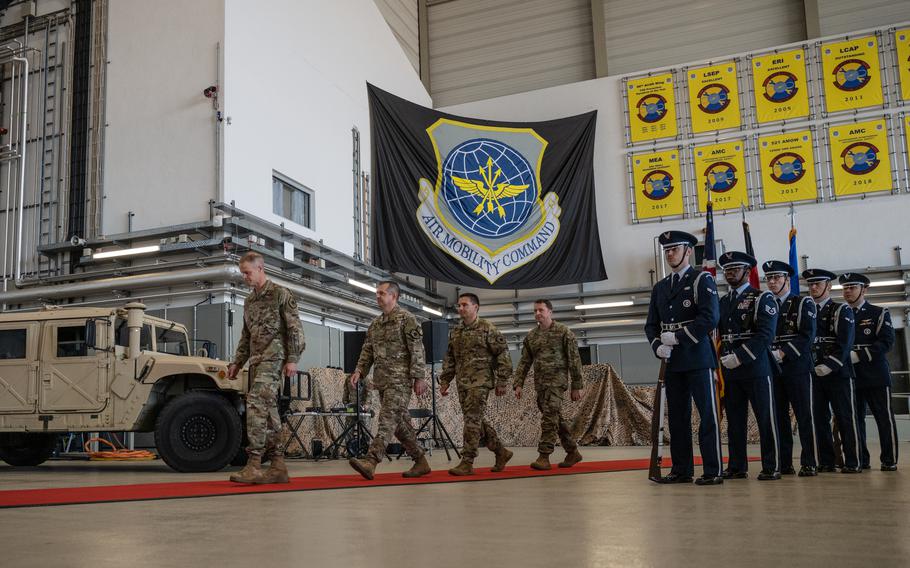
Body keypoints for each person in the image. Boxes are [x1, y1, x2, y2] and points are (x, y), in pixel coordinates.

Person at [644, 231, 723, 485]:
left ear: (688, 251)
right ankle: (681, 469)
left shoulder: (701, 280)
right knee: (677, 419)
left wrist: (679, 337)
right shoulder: (661, 287)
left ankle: (713, 469)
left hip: (698, 358)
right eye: (667, 250)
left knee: (708, 416)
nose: (670, 254)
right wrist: (657, 346)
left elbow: (710, 318)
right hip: (673, 363)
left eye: (675, 249)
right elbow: (651, 326)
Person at [228, 252, 305, 484]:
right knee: (269, 412)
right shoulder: (249, 301)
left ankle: (253, 463)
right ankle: (278, 465)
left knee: (256, 402)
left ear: (260, 268)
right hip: (257, 361)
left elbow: (295, 330)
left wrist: (292, 358)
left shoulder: (281, 294)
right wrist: (237, 362)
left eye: (248, 273)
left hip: (275, 358)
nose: (245, 277)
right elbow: (246, 335)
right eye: (242, 273)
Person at [348, 281, 431, 480]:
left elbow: (417, 350)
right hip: (382, 381)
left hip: (400, 381)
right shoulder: (375, 324)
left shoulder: (407, 319)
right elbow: (367, 351)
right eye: (376, 293)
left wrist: (419, 377)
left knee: (386, 420)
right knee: (400, 427)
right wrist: (359, 370)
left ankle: (371, 460)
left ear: (394, 296)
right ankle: (421, 460)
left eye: (382, 293)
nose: (378, 296)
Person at [717, 251, 781, 481]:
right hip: (730, 370)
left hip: (755, 367)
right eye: (727, 269)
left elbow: (766, 334)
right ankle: (736, 466)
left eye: (736, 268)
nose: (730, 272)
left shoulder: (761, 298)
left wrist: (741, 356)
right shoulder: (722, 301)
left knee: (765, 418)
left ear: (747, 272)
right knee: (735, 421)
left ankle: (772, 465)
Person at [439, 293, 513, 475]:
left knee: (471, 421)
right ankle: (501, 451)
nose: (460, 309)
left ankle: (467, 461)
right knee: (475, 421)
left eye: (464, 305)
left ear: (476, 307)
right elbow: (450, 358)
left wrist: (502, 381)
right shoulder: (456, 331)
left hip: (481, 382)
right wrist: (445, 380)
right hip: (462, 383)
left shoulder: (488, 329)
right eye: (459, 305)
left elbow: (503, 354)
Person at [512, 299, 584, 471]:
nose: (538, 313)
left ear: (550, 312)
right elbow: (524, 361)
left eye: (541, 310)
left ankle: (544, 456)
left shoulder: (563, 332)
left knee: (549, 419)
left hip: (557, 384)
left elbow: (574, 360)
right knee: (555, 419)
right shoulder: (532, 336)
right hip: (541, 385)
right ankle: (572, 451)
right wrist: (518, 383)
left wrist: (577, 385)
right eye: (535, 310)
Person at [763, 260, 818, 477]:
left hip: (797, 367)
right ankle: (784, 462)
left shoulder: (803, 303)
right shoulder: (765, 304)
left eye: (777, 277)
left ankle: (809, 461)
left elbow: (807, 335)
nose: (773, 282)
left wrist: (784, 352)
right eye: (769, 278)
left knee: (805, 416)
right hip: (773, 369)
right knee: (779, 417)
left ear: (787, 279)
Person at [802, 268, 861, 474]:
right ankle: (826, 461)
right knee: (819, 419)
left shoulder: (840, 310)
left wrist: (830, 365)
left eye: (818, 283)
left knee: (845, 417)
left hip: (838, 373)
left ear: (828, 286)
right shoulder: (806, 309)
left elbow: (845, 344)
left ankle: (854, 460)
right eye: (810, 284)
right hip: (813, 372)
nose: (813, 287)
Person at [839, 272, 898, 471]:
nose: (848, 291)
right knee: (854, 420)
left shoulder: (879, 312)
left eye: (852, 287)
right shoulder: (840, 313)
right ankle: (861, 459)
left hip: (875, 375)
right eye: (845, 288)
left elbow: (886, 342)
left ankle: (889, 460)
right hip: (849, 376)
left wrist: (860, 355)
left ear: (864, 290)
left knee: (884, 418)